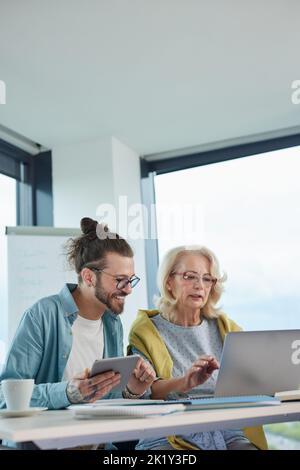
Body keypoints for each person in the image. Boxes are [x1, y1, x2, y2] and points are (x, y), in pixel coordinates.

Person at [0, 218, 155, 413]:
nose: (129, 290)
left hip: (97, 441)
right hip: (48, 440)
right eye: (120, 280)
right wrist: (66, 393)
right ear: (89, 277)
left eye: (130, 280)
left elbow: (106, 399)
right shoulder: (42, 315)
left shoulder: (112, 323)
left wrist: (132, 389)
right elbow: (5, 396)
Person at [129, 245, 268, 450]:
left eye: (207, 278)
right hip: (168, 432)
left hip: (226, 430)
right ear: (169, 281)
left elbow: (250, 382)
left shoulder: (227, 328)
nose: (199, 285)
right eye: (189, 276)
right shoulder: (146, 331)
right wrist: (185, 382)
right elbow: (147, 391)